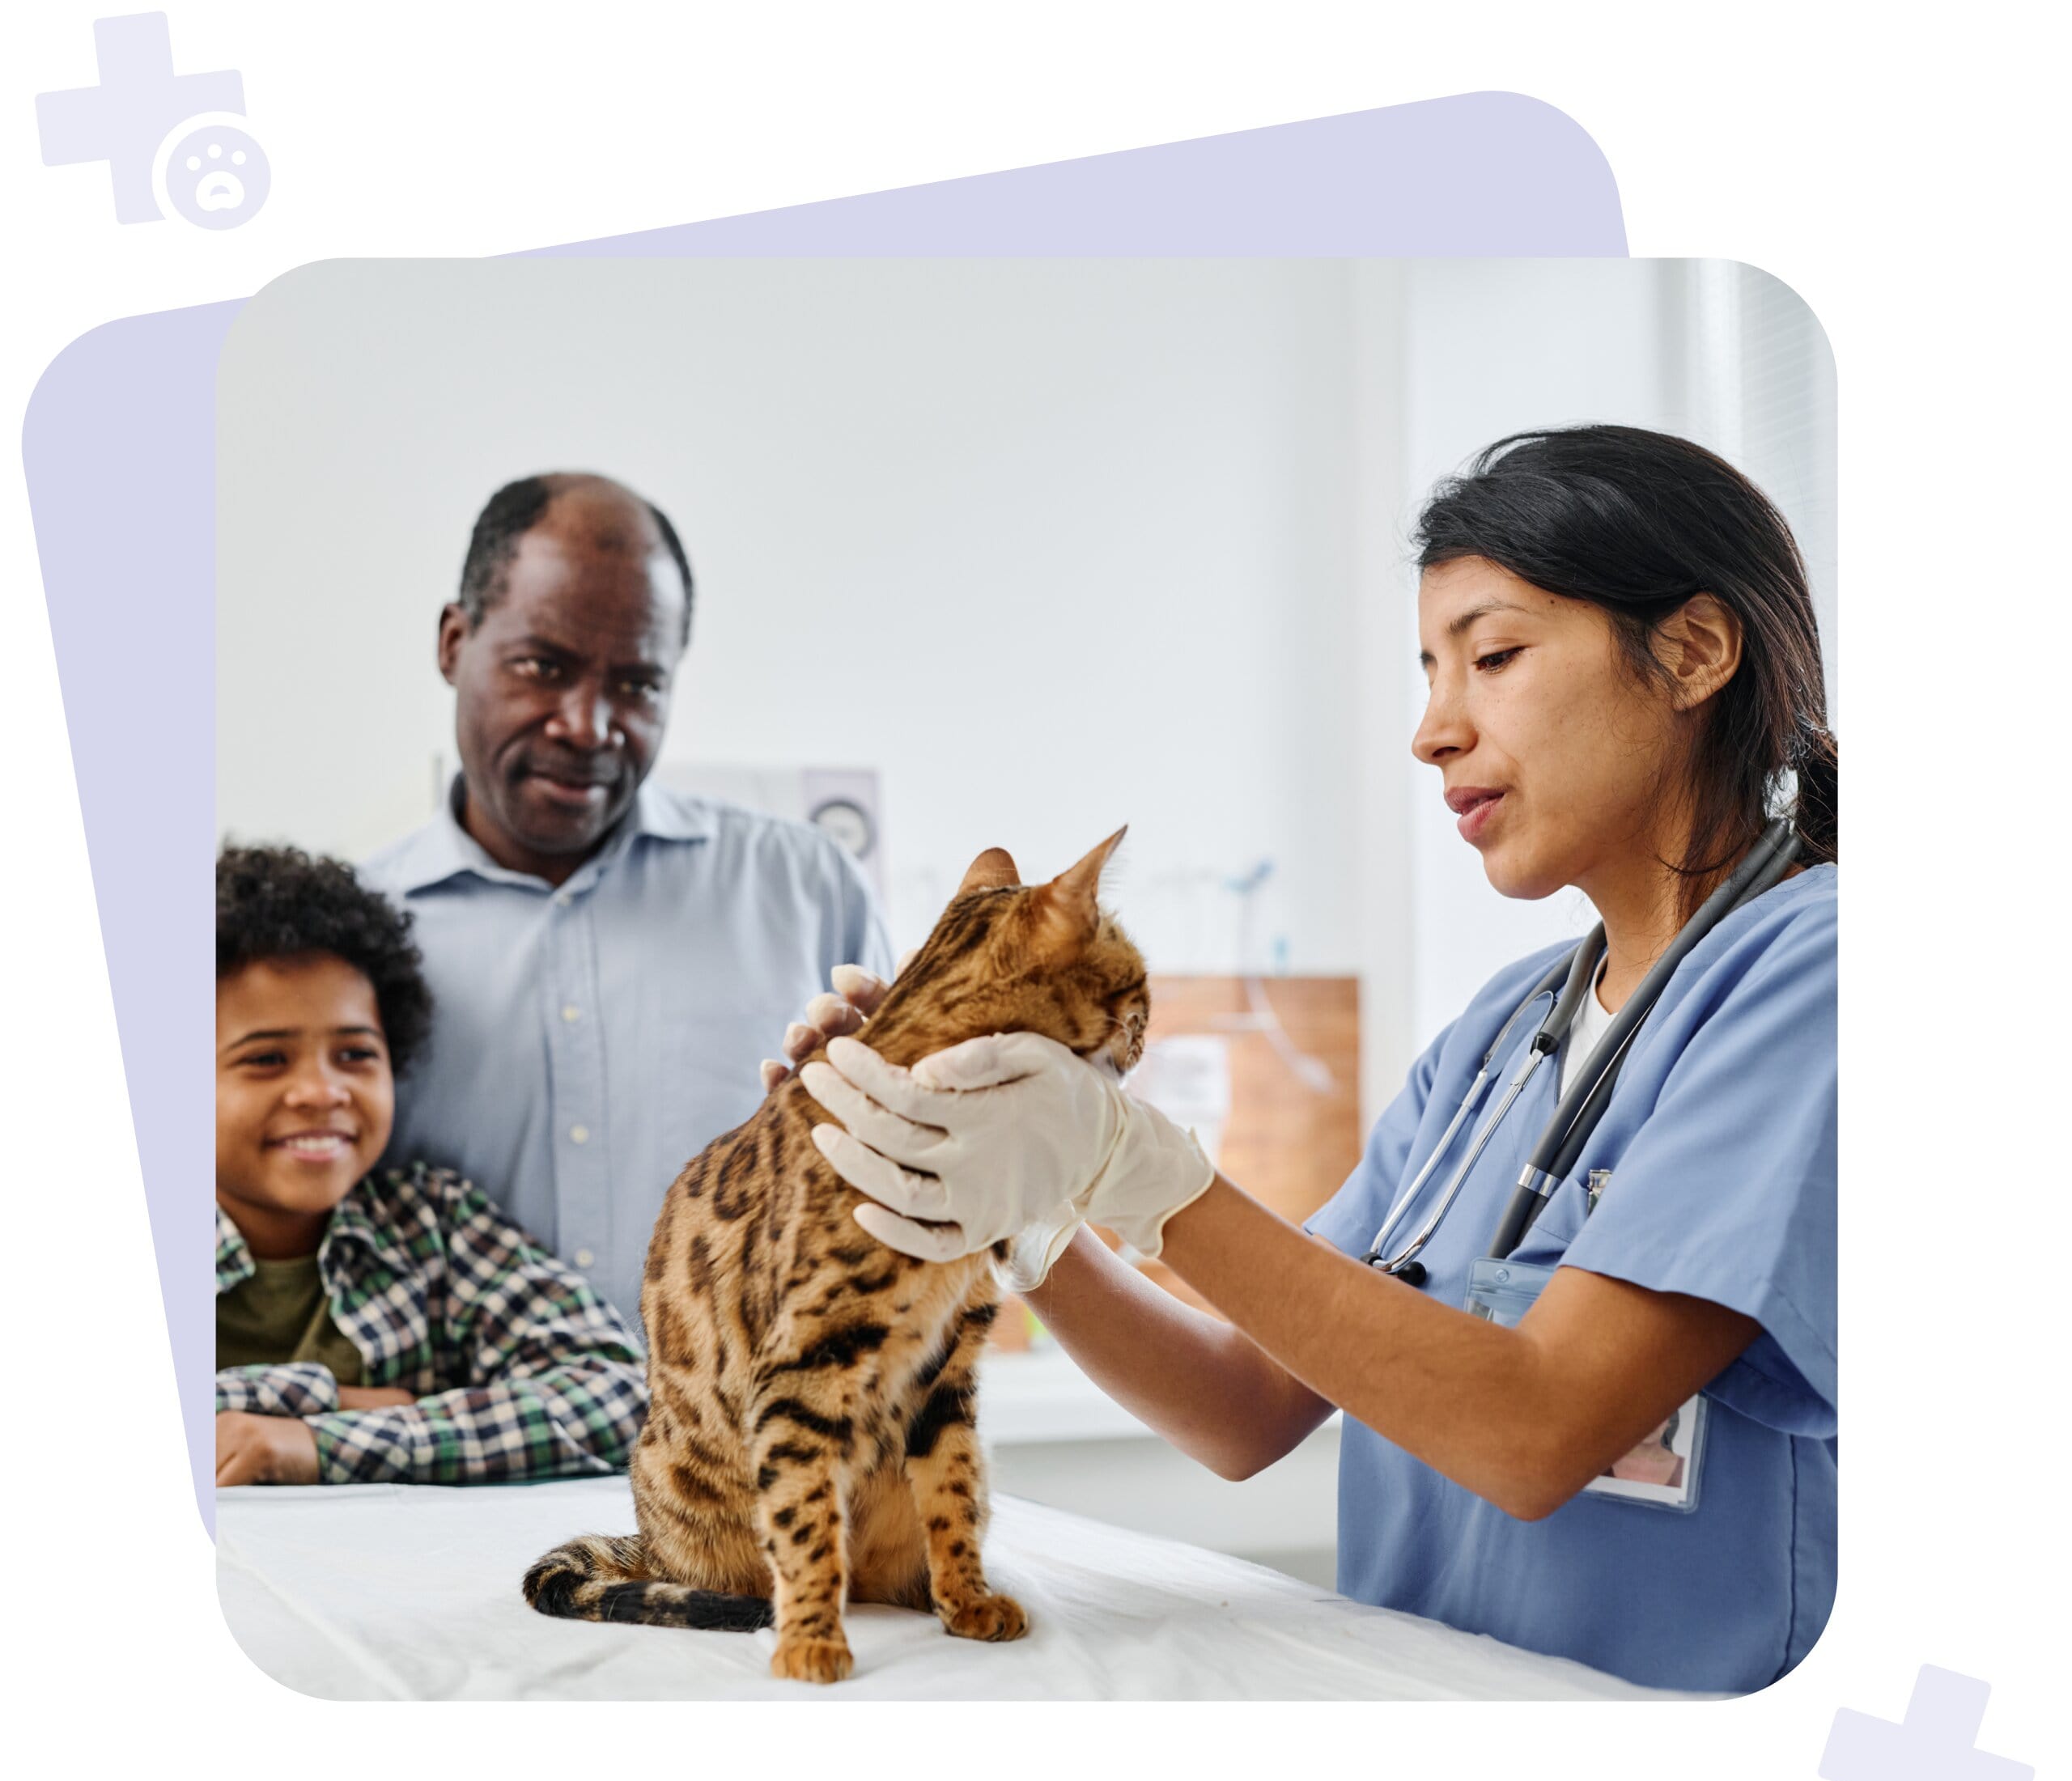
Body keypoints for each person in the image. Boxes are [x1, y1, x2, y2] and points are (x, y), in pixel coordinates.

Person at [785, 426, 1837, 1695]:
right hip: (1425, 1707)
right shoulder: (1503, 1037)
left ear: (1695, 651)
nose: (1432, 731)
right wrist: (1006, 1199)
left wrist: (1135, 1171)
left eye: (1494, 655)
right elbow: (1243, 1407)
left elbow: (1539, 1425)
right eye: (1429, 671)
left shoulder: (1822, 976)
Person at [359, 473, 894, 1333]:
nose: (588, 725)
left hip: (758, 1455)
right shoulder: (350, 939)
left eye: (638, 685)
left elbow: (914, 1184)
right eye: (544, 666)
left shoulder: (804, 891)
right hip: (459, 1455)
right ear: (455, 642)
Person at [214, 844, 647, 1487]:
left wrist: (321, 1435)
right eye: (267, 1060)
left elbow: (620, 1395)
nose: (323, 1091)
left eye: (355, 1054)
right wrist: (348, 1395)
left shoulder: (433, 1225)